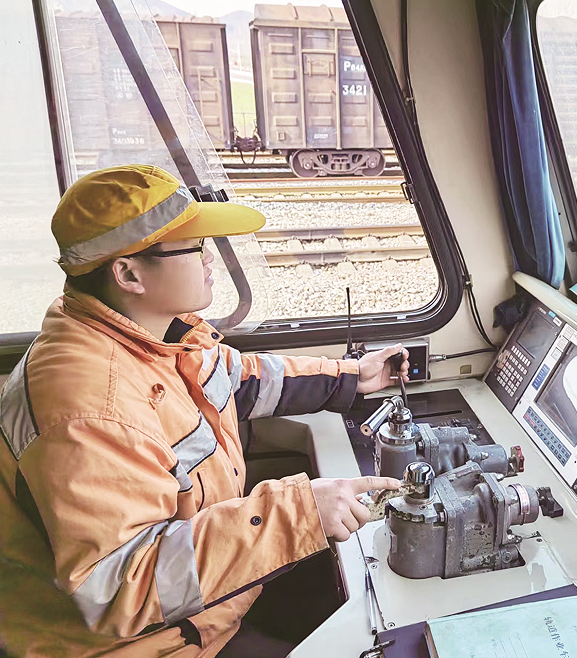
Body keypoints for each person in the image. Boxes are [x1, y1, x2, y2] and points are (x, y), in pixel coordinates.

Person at [0, 164, 406, 657]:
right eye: (193, 247)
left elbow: (237, 378)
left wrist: (350, 377)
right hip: (151, 643)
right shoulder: (88, 406)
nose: (209, 257)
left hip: (202, 607)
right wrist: (299, 512)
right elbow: (124, 590)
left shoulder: (150, 338)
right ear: (128, 273)